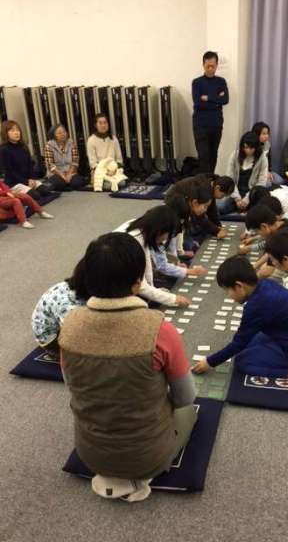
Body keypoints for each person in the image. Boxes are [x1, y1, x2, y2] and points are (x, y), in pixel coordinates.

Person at [59, 232, 197, 503]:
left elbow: (71, 385)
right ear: (136, 284)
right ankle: (142, 473)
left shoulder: (70, 325)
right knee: (189, 413)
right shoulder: (160, 329)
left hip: (89, 455)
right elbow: (185, 397)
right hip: (149, 459)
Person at [192, 256, 288, 379]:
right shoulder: (265, 283)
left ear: (239, 286)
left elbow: (238, 343)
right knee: (249, 343)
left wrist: (209, 362)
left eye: (228, 291)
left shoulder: (256, 305)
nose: (228, 296)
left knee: (242, 361)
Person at [114, 205, 192, 307]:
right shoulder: (135, 242)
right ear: (159, 231)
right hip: (109, 288)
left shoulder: (140, 228)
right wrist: (173, 299)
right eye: (168, 234)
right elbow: (141, 286)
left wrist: (153, 288)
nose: (166, 238)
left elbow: (146, 265)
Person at [32, 258, 88, 359]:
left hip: (56, 322)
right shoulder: (69, 307)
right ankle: (53, 353)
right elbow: (72, 336)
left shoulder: (73, 286)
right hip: (51, 339)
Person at [165, 174, 234, 240]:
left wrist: (217, 226)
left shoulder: (210, 184)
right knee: (195, 228)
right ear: (217, 187)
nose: (222, 198)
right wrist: (216, 231)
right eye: (223, 195)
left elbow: (212, 209)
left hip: (183, 199)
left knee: (202, 226)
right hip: (175, 201)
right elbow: (199, 215)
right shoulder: (204, 191)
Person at [192, 51, 229, 174]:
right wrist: (216, 99)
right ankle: (204, 182)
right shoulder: (197, 83)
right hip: (200, 125)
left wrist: (207, 98)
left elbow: (225, 100)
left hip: (216, 124)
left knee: (213, 154)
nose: (210, 69)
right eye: (207, 66)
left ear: (217, 65)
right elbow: (198, 103)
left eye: (213, 66)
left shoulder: (221, 81)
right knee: (203, 155)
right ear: (203, 65)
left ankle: (210, 179)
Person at [217, 131, 268, 215]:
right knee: (221, 208)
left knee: (260, 211)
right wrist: (237, 198)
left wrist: (247, 199)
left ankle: (246, 211)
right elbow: (230, 178)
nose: (248, 150)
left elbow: (261, 183)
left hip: (252, 194)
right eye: (246, 147)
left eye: (251, 148)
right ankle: (242, 210)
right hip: (235, 191)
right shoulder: (235, 155)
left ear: (256, 147)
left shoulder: (262, 158)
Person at [0, 120, 50, 200]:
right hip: (14, 183)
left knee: (46, 191)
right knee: (35, 196)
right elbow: (10, 172)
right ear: (5, 133)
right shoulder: (3, 149)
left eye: (17, 130)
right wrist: (26, 181)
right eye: (12, 130)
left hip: (29, 180)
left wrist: (32, 179)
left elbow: (30, 164)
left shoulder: (23, 146)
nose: (16, 133)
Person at [86, 113, 126, 189]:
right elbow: (93, 163)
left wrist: (114, 170)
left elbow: (119, 159)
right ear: (96, 125)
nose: (103, 125)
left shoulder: (113, 139)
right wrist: (106, 171)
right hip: (99, 171)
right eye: (100, 123)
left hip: (113, 170)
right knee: (109, 186)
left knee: (122, 183)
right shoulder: (91, 140)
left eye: (105, 123)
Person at [44, 124, 86, 191]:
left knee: (77, 182)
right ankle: (65, 184)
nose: (63, 134)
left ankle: (67, 184)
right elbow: (51, 165)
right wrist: (63, 176)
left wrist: (69, 174)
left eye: (64, 132)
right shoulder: (49, 145)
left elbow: (75, 162)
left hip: (70, 172)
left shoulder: (71, 143)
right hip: (56, 173)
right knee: (59, 183)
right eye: (59, 133)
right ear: (54, 135)